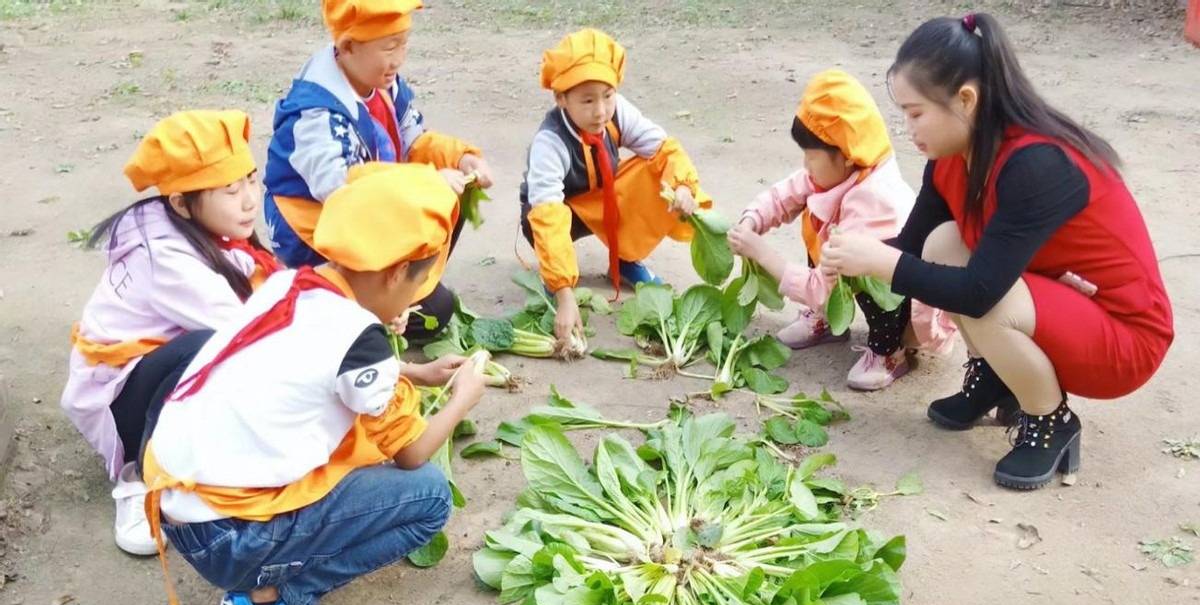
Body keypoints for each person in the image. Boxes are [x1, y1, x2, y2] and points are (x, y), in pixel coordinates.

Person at [141, 163, 486, 605]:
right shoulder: (362, 344)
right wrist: (462, 397)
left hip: (179, 506)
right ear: (394, 273)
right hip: (227, 535)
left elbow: (308, 366)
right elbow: (412, 454)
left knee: (354, 458)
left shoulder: (294, 285)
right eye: (418, 283)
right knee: (430, 497)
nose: (418, 296)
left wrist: (415, 372)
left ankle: (261, 582)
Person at [821, 13, 1173, 489]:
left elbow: (979, 291)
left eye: (916, 112)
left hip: (1125, 336)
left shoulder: (1035, 163)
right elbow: (909, 249)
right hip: (1063, 303)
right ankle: (995, 376)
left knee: (986, 300)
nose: (907, 128)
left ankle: (1050, 421)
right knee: (942, 243)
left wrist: (880, 261)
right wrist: (851, 253)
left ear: (966, 99)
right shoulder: (950, 160)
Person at [60, 110, 279, 556]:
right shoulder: (166, 261)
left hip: (148, 379)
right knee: (206, 348)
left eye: (251, 181)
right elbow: (253, 329)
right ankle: (138, 482)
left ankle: (191, 456)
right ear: (180, 203)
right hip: (122, 407)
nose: (249, 201)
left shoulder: (204, 230)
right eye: (230, 190)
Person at [265, 0, 493, 338]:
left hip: (367, 207)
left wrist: (460, 159)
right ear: (347, 47)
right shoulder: (316, 115)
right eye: (390, 46)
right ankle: (340, 310)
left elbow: (413, 138)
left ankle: (396, 293)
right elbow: (345, 195)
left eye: (403, 43)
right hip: (318, 228)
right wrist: (427, 181)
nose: (399, 58)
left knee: (449, 194)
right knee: (435, 310)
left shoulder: (381, 81)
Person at [729, 70, 954, 391]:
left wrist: (761, 252)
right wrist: (752, 219)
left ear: (846, 156)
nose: (805, 165)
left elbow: (817, 286)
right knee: (818, 221)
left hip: (905, 304)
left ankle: (890, 350)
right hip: (840, 269)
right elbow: (785, 194)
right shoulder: (834, 171)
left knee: (872, 274)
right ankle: (827, 320)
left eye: (811, 156)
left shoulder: (873, 202)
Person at [519, 28, 710, 346]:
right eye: (587, 100)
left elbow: (662, 148)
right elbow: (548, 213)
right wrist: (565, 294)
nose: (600, 111)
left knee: (653, 174)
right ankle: (558, 280)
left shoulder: (617, 112)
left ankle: (624, 258)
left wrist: (683, 187)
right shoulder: (549, 142)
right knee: (552, 239)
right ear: (561, 98)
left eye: (607, 96)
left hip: (603, 198)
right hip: (562, 215)